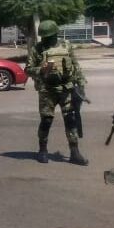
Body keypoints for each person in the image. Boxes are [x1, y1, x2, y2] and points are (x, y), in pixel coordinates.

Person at [25, 19, 87, 165]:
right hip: (47, 91)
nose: (47, 39)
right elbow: (28, 69)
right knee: (46, 120)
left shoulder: (66, 45)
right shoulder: (37, 49)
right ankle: (43, 150)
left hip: (66, 89)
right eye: (44, 37)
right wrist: (41, 70)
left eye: (49, 36)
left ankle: (74, 152)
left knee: (70, 120)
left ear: (55, 34)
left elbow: (76, 65)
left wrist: (81, 84)